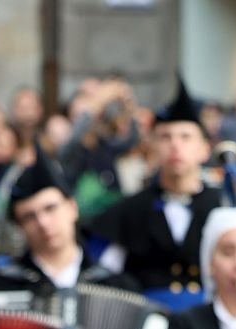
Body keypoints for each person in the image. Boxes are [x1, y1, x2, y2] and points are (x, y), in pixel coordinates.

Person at [86, 77, 223, 311]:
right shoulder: (130, 210)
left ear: (204, 149)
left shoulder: (224, 207)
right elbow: (101, 271)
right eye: (165, 137)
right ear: (153, 146)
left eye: (185, 137)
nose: (175, 146)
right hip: (145, 320)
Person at [0, 153, 139, 299]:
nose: (43, 223)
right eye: (29, 217)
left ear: (72, 208)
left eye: (50, 208)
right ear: (20, 226)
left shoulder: (114, 285)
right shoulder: (1, 286)